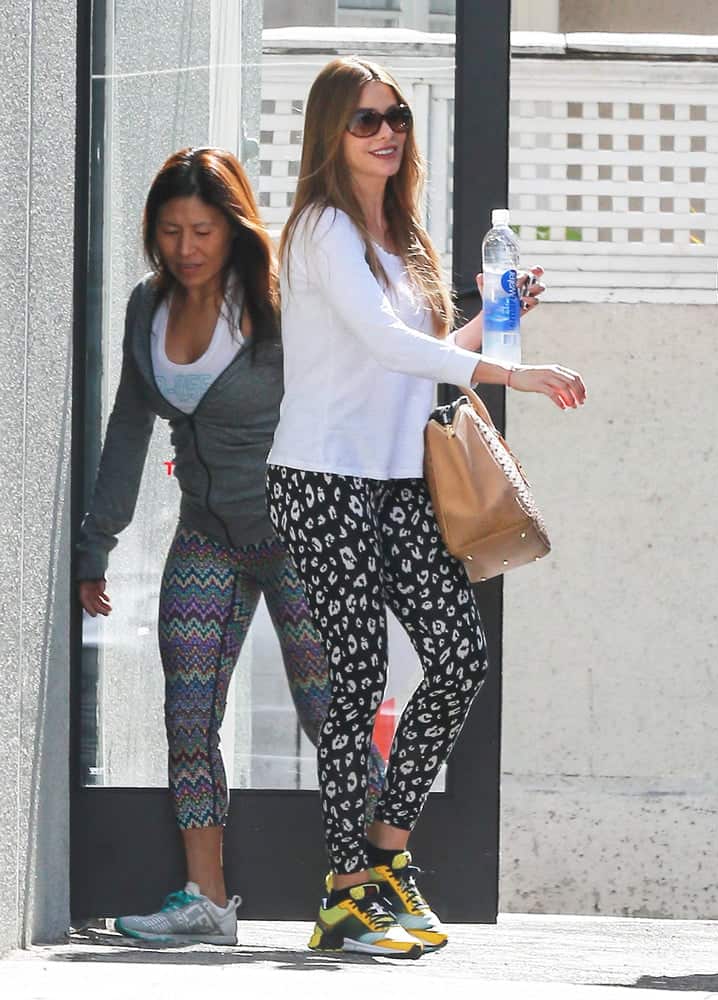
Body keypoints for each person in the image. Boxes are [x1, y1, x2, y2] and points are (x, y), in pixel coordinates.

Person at [266, 56, 586, 959]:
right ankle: (343, 895)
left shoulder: (400, 235)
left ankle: (385, 855)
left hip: (399, 478)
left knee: (458, 656)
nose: (386, 133)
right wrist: (512, 374)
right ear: (332, 133)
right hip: (322, 479)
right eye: (365, 120)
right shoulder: (322, 228)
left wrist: (497, 320)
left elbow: (420, 354)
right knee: (359, 675)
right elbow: (384, 344)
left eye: (396, 116)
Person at [76, 147, 387, 946]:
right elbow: (129, 425)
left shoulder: (282, 299)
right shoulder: (148, 306)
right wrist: (96, 543)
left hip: (299, 537)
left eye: (203, 230)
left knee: (331, 714)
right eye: (170, 230)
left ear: (234, 226)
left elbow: (378, 355)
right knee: (188, 716)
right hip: (207, 535)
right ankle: (206, 903)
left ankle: (373, 891)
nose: (186, 247)